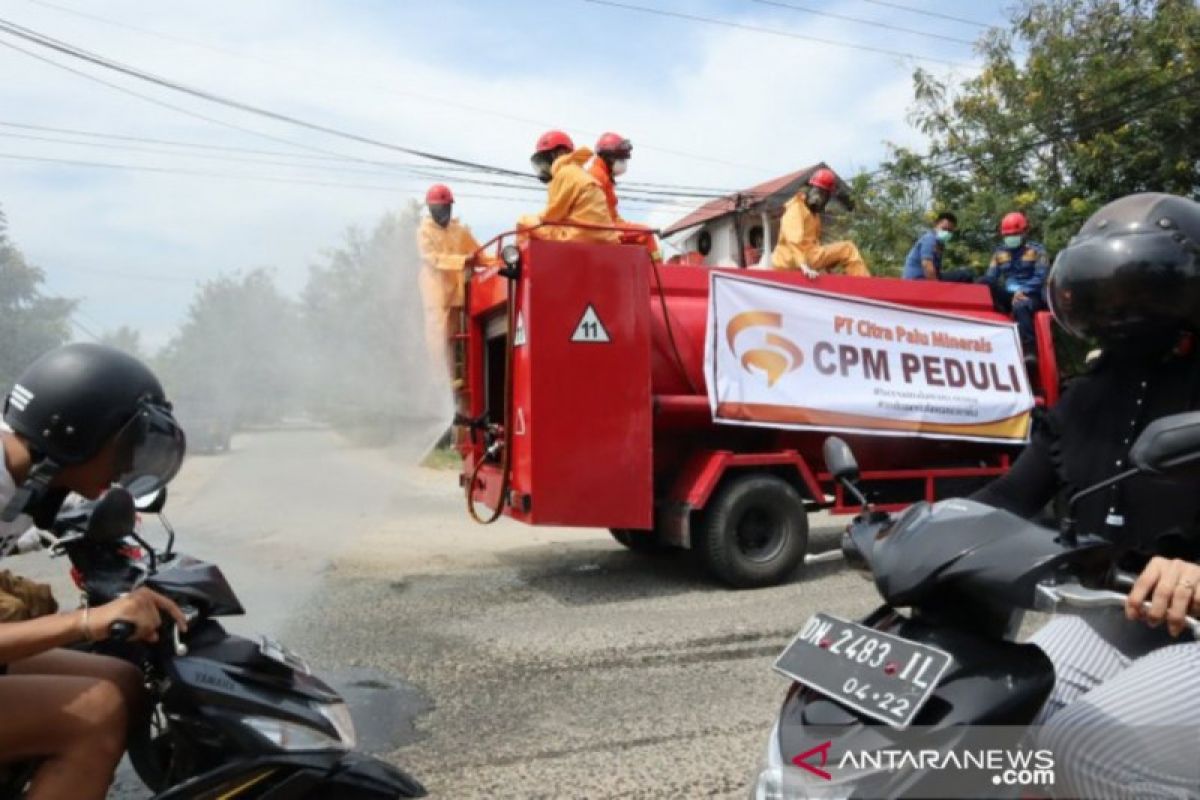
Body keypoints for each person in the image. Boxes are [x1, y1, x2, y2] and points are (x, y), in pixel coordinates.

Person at [971, 193, 1200, 798]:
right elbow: (1009, 495)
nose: (1119, 309)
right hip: (1122, 615)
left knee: (1081, 752)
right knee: (1000, 727)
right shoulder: (1084, 400)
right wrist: (916, 526)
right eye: (1104, 291)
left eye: (1137, 289)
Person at [0, 343, 188, 800]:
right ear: (75, 434)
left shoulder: (23, 476)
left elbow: (23, 528)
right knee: (96, 713)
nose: (126, 467)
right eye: (124, 448)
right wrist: (86, 621)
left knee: (121, 680)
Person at [416, 183, 493, 382]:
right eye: (438, 209)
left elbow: (479, 254)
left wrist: (501, 262)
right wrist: (461, 261)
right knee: (438, 342)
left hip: (457, 295)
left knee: (460, 339)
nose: (443, 212)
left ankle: (461, 378)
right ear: (431, 209)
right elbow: (431, 258)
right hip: (436, 295)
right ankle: (440, 382)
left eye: (445, 208)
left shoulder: (459, 231)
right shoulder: (424, 231)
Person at [519, 130, 619, 245]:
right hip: (604, 238)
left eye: (545, 160)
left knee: (524, 222)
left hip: (578, 236)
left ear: (559, 153)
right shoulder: (580, 172)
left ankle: (518, 260)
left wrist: (537, 219)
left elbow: (552, 215)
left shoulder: (564, 173)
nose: (545, 167)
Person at [771, 168, 870, 277]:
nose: (819, 197)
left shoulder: (813, 214)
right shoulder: (796, 208)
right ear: (810, 189)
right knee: (848, 249)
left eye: (823, 194)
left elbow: (816, 245)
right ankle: (867, 286)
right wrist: (803, 266)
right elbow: (792, 240)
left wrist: (827, 264)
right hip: (793, 260)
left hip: (805, 257)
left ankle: (854, 283)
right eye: (818, 191)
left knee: (840, 252)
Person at [980, 211, 1049, 352]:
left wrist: (1022, 291)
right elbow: (991, 276)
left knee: (1021, 306)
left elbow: (1041, 276)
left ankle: (1029, 350)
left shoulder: (1037, 251)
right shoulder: (999, 253)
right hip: (1009, 295)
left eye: (1014, 234)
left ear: (1024, 232)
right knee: (984, 282)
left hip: (1030, 295)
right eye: (1007, 235)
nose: (1011, 238)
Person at [587, 132, 662, 261]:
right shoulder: (598, 176)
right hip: (604, 229)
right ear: (609, 157)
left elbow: (611, 214)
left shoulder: (601, 175)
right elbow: (600, 216)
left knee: (641, 232)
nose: (624, 163)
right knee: (646, 234)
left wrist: (625, 226)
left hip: (607, 226)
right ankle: (658, 273)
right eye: (621, 159)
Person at [901, 212, 974, 282]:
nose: (947, 233)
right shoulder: (930, 239)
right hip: (917, 281)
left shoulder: (939, 243)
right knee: (965, 275)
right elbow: (926, 264)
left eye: (950, 231)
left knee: (963, 271)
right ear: (936, 225)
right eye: (944, 229)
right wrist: (937, 287)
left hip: (925, 278)